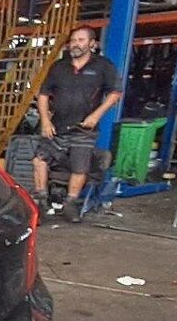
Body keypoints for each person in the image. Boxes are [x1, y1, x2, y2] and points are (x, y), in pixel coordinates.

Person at [32, 25, 122, 221]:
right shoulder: (59, 67)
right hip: (56, 126)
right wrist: (45, 121)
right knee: (39, 160)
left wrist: (96, 116)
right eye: (73, 40)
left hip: (84, 129)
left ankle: (70, 203)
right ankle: (41, 201)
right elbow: (43, 94)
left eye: (81, 40)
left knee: (80, 167)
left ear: (92, 44)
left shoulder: (103, 66)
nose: (75, 44)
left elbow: (115, 93)